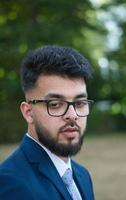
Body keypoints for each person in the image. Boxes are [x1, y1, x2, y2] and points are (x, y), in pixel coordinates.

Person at [0, 45, 95, 200]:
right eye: (55, 104)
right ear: (28, 112)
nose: (72, 115)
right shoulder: (10, 183)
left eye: (80, 103)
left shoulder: (82, 175)